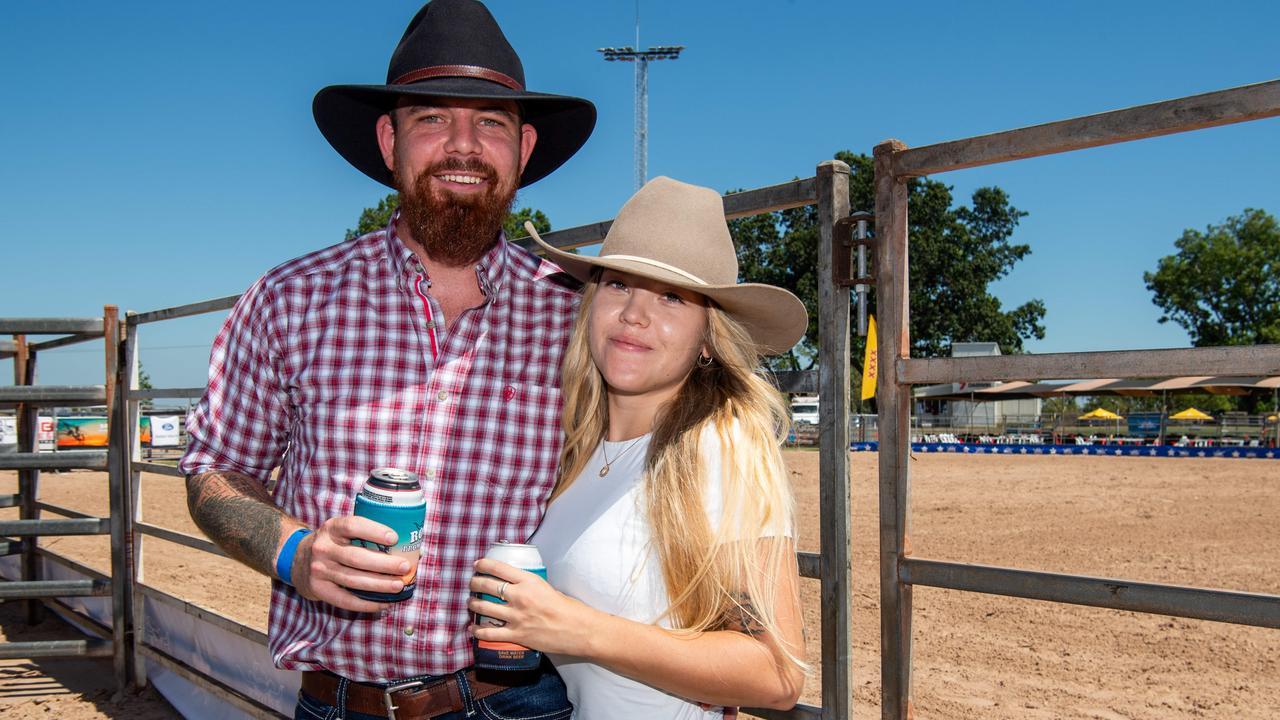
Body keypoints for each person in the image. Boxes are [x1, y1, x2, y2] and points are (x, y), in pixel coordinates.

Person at [179, 1, 595, 718]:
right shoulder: (289, 298)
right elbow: (215, 467)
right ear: (388, 140)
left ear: (523, 148)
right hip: (340, 702)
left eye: (490, 124)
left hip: (519, 701)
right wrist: (295, 554)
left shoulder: (578, 317)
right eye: (432, 119)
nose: (462, 147)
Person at [468, 177, 810, 718]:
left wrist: (576, 628)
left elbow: (776, 673)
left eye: (671, 297)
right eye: (620, 285)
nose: (634, 315)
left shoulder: (722, 443)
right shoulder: (577, 450)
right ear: (591, 303)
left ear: (706, 339)